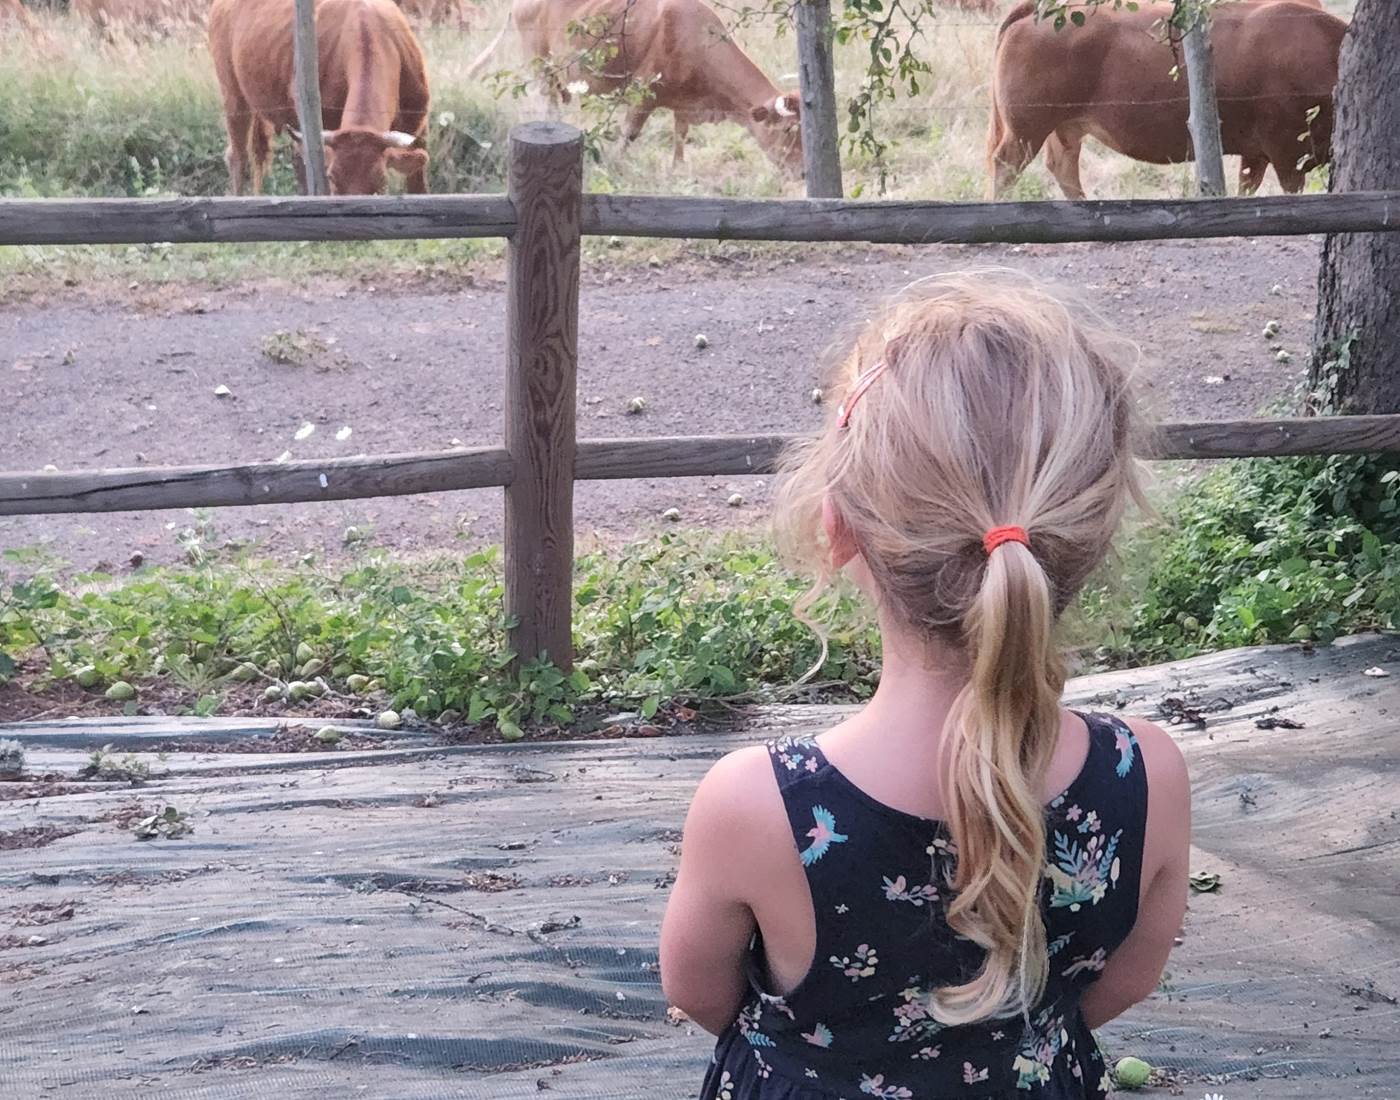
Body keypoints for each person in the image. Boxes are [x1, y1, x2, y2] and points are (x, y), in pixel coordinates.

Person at [659, 273, 1191, 1100]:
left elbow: (699, 992)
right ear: (1093, 532)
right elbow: (1124, 982)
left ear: (835, 524)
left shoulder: (755, 805)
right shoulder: (1147, 773)